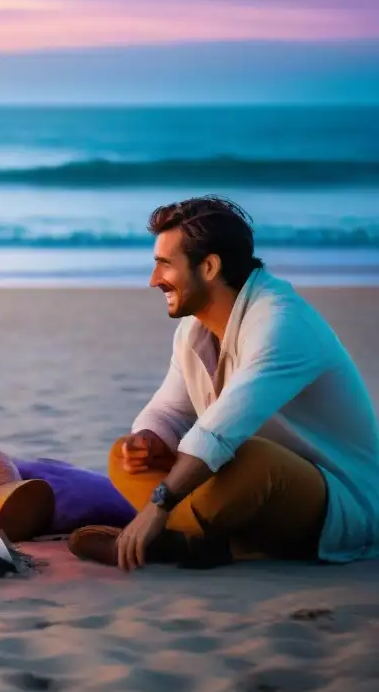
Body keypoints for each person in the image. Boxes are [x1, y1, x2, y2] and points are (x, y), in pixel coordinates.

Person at [67, 196, 379, 571]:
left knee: (254, 459)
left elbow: (218, 432)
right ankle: (199, 537)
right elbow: (170, 410)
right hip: (251, 497)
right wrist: (148, 440)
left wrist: (157, 506)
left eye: (165, 265)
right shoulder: (194, 329)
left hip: (341, 505)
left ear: (209, 266)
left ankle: (176, 539)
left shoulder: (282, 323)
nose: (153, 281)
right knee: (124, 455)